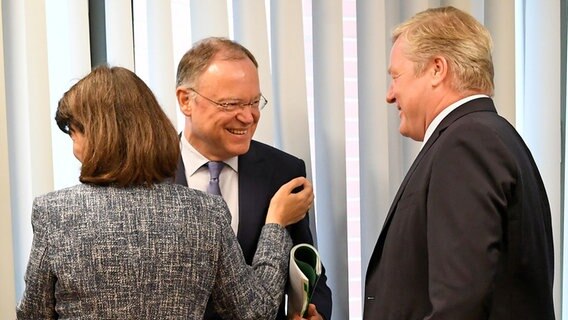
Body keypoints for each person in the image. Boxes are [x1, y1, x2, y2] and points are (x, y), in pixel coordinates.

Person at [16, 65, 315, 319]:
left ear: (96, 134)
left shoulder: (54, 212)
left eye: (74, 133)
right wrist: (274, 225)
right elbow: (253, 311)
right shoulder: (206, 213)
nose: (74, 148)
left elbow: (34, 314)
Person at [364, 6, 555, 320]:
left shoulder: (467, 143)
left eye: (396, 76)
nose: (389, 94)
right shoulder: (490, 136)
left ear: (437, 69)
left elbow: (460, 305)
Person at [174, 37, 332, 320]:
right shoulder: (147, 175)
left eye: (254, 102)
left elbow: (308, 268)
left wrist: (314, 313)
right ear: (186, 100)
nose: (248, 117)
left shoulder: (283, 171)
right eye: (231, 104)